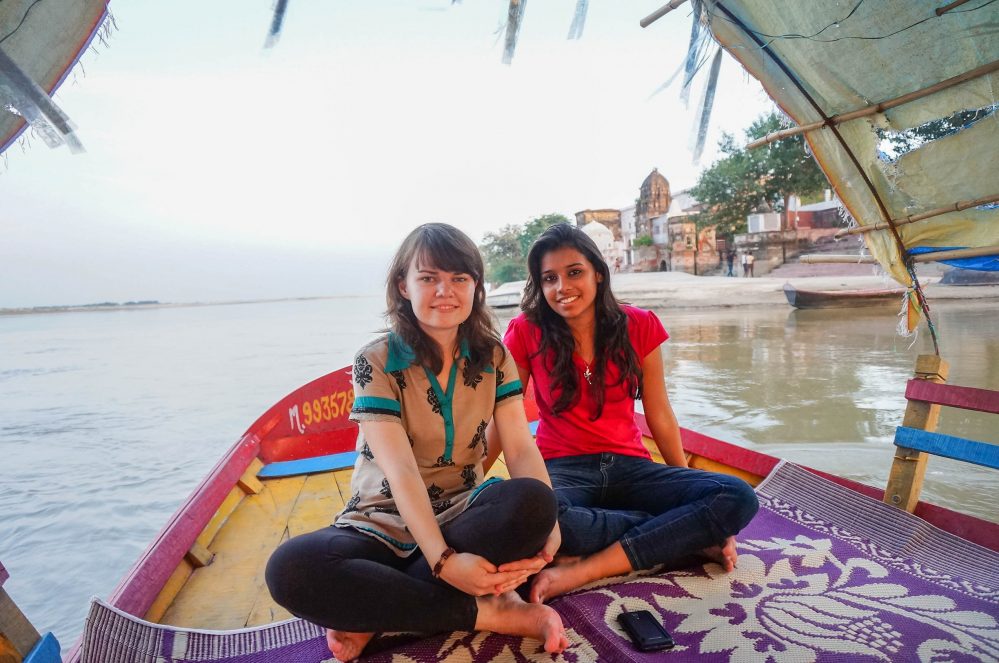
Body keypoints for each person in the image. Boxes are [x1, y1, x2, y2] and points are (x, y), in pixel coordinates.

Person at [266, 223, 569, 661]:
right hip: (380, 522)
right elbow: (401, 470)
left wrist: (550, 528)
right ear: (403, 287)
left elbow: (520, 448)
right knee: (291, 569)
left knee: (534, 502)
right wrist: (445, 562)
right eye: (428, 278)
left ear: (475, 287)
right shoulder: (376, 361)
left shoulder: (495, 357)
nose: (445, 290)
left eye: (459, 278)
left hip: (463, 512)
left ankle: (378, 609)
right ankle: (492, 613)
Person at [489, 223, 758, 604]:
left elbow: (660, 413)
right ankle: (679, 539)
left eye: (574, 272)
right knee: (537, 519)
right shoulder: (526, 332)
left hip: (632, 468)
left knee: (737, 497)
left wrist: (681, 482)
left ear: (599, 273)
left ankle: (583, 568)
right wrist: (466, 485)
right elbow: (505, 417)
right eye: (549, 278)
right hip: (563, 470)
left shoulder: (640, 326)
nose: (562, 287)